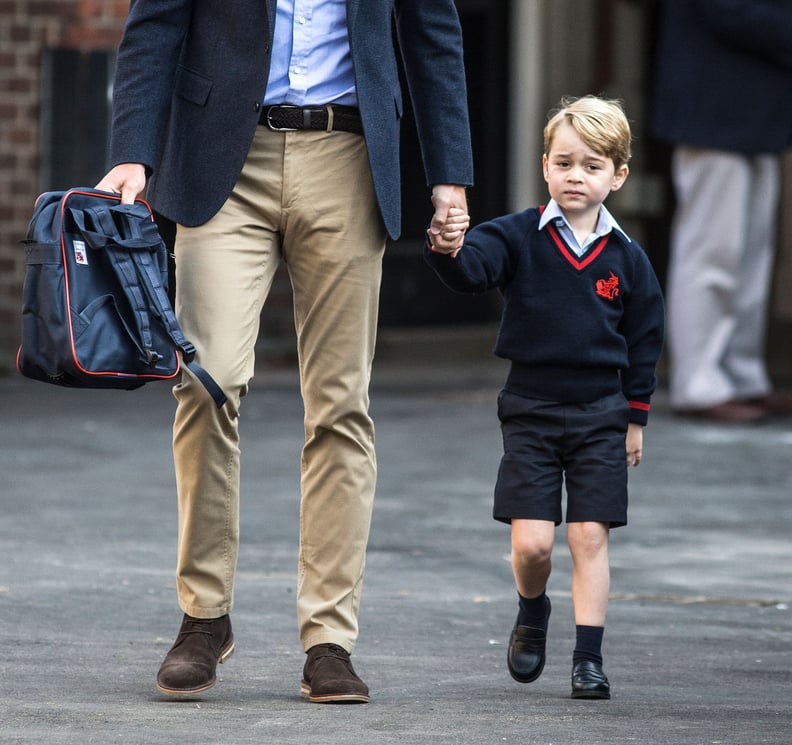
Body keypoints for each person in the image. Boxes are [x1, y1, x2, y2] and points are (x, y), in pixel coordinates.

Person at [96, 0, 473, 703]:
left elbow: (432, 29)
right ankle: (204, 616)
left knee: (340, 404)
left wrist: (449, 173)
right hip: (221, 157)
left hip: (349, 154)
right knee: (207, 381)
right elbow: (156, 23)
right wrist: (131, 153)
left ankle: (330, 638)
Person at [425, 96, 664, 699]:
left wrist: (635, 417)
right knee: (532, 544)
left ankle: (589, 659)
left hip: (601, 414)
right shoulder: (516, 236)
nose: (575, 176)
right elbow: (472, 270)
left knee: (589, 536)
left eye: (591, 166)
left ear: (618, 176)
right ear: (544, 167)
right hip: (530, 410)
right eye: (564, 163)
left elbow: (644, 340)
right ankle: (533, 610)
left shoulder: (628, 260)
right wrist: (450, 249)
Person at [651, 0, 792, 422]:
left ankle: (741, 376)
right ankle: (699, 382)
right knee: (713, 250)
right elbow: (727, 8)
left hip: (756, 108)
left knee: (752, 254)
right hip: (714, 103)